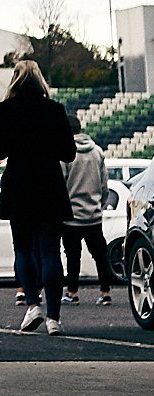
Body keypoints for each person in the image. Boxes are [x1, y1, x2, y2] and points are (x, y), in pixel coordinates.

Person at [0, 56, 76, 336]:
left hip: (19, 185)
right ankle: (54, 318)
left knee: (22, 248)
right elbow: (69, 153)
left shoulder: (6, 109)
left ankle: (32, 304)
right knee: (51, 252)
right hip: (49, 184)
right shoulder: (55, 109)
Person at [61, 129, 112, 306]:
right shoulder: (97, 151)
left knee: (73, 256)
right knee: (100, 255)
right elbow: (104, 184)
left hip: (71, 216)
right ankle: (105, 292)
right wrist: (100, 204)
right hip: (94, 215)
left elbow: (61, 183)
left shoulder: (65, 153)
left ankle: (72, 292)